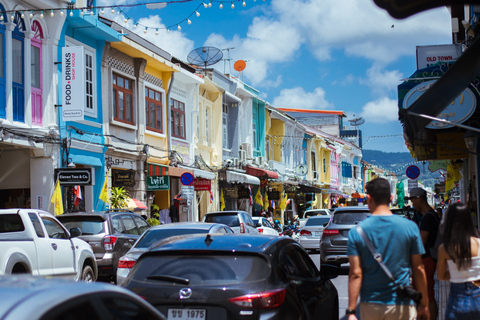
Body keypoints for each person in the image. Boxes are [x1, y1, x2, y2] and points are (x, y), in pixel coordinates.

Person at [347, 178, 429, 320]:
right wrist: (424, 304)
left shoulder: (357, 232)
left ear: (368, 198)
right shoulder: (410, 227)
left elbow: (355, 274)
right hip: (401, 304)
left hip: (371, 305)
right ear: (391, 198)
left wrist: (351, 311)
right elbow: (419, 269)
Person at [437, 202, 480, 320]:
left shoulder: (445, 248)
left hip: (457, 298)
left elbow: (440, 276)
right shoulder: (478, 243)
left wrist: (457, 275)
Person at [405, 187, 439, 320]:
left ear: (418, 199)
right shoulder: (430, 216)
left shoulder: (427, 218)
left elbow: (421, 243)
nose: (412, 204)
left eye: (413, 200)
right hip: (429, 259)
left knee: (427, 296)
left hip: (426, 260)